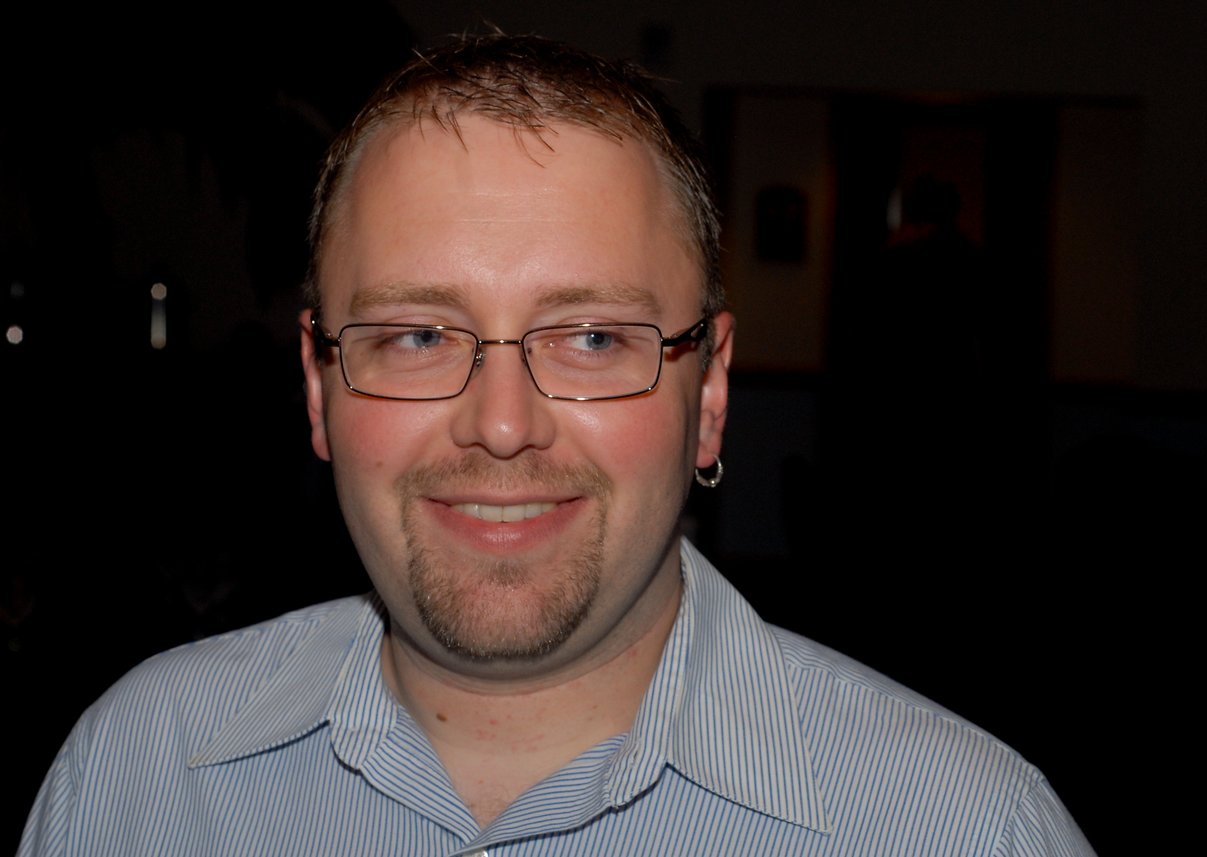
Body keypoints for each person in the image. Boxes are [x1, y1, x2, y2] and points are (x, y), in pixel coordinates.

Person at [19, 33, 1094, 856]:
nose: (500, 423)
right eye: (416, 333)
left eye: (589, 335)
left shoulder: (960, 829)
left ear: (709, 389)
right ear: (317, 383)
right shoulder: (136, 773)